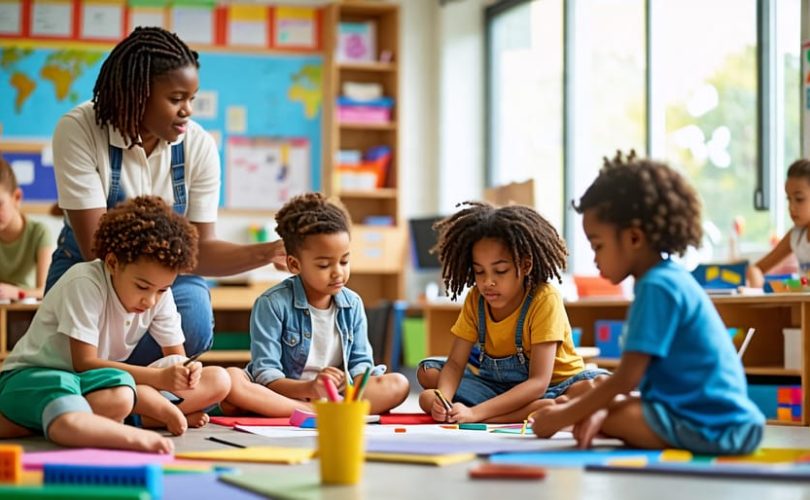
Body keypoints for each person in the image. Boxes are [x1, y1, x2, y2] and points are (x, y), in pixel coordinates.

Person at [48, 26, 285, 366]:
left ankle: (129, 393)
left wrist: (269, 251)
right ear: (138, 92)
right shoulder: (79, 129)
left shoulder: (199, 145)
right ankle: (124, 390)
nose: (187, 110)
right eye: (176, 99)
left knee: (194, 324)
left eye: (191, 98)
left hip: (165, 275)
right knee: (65, 347)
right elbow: (95, 249)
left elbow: (200, 250)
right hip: (89, 266)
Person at [533, 151, 764, 454]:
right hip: (704, 417)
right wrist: (591, 407)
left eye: (598, 245)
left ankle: (597, 418)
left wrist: (562, 417)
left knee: (601, 406)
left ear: (634, 238)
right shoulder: (664, 280)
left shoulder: (658, 287)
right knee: (594, 396)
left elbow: (627, 379)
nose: (594, 258)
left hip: (716, 427)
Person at [0, 196, 231, 450]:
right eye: (142, 286)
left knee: (217, 379)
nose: (151, 300)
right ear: (112, 263)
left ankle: (136, 413)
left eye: (163, 289)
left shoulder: (158, 295)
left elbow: (176, 358)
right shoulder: (85, 281)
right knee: (112, 391)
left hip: (93, 384)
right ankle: (137, 426)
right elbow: (84, 363)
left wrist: (186, 373)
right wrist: (160, 379)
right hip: (44, 375)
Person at [416, 202, 608, 424]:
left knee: (589, 388)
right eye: (479, 271)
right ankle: (522, 412)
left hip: (554, 387)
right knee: (428, 383)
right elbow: (456, 364)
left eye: (500, 271)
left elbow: (538, 382)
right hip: (497, 388)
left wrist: (475, 414)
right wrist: (444, 400)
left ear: (525, 265)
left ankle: (490, 415)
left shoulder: (544, 298)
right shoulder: (475, 299)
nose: (488, 282)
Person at [222, 193, 409, 416]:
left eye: (344, 261)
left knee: (398, 383)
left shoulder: (353, 304)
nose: (338, 272)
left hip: (335, 394)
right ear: (294, 264)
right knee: (231, 380)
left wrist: (355, 385)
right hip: (286, 392)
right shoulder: (271, 304)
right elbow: (267, 374)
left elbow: (361, 363)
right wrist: (310, 388)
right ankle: (313, 410)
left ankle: (322, 409)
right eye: (323, 265)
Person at [748, 158, 810, 286]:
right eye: (789, 199)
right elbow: (757, 268)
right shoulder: (796, 235)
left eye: (799, 199)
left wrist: (794, 285)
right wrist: (755, 280)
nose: (791, 207)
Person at [0, 154, 53, 300]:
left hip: (26, 314)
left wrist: (15, 292)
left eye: (0, 204)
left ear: (16, 197)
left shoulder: (39, 233)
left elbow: (45, 291)